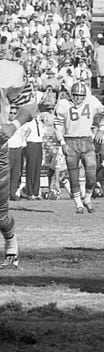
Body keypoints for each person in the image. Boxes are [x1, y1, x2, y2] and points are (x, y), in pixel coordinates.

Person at [0, 59, 35, 268]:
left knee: (0, 214)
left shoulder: (9, 71)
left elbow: (30, 106)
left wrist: (14, 125)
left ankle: (10, 238)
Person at [54, 82, 104, 214]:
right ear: (71, 95)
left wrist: (101, 129)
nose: (78, 98)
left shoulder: (92, 101)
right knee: (73, 175)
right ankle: (78, 204)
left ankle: (87, 198)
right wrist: (62, 143)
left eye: (80, 95)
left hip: (87, 141)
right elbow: (58, 126)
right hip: (70, 141)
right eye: (75, 95)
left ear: (85, 95)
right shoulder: (63, 104)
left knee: (91, 174)